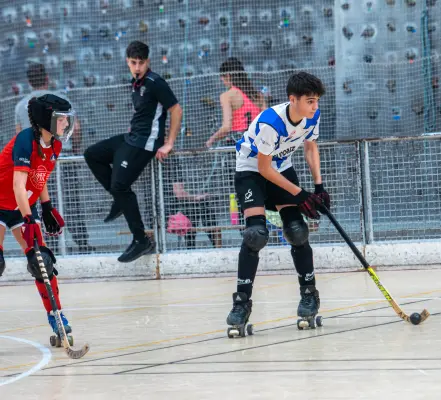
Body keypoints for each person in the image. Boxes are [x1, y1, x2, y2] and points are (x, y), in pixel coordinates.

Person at [226, 71, 330, 337]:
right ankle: (241, 303)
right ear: (292, 100)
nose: (315, 106)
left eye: (316, 100)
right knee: (255, 235)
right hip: (252, 172)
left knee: (297, 230)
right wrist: (300, 194)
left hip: (282, 169)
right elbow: (263, 169)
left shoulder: (311, 116)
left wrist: (318, 187)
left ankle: (309, 295)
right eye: (310, 101)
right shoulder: (272, 122)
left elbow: (310, 148)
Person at [84, 40, 183, 263]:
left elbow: (176, 109)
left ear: (148, 62)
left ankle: (141, 240)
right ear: (127, 62)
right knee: (92, 154)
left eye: (141, 63)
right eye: (133, 63)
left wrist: (169, 142)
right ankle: (119, 199)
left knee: (121, 186)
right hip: (132, 138)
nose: (137, 67)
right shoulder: (135, 83)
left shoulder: (155, 82)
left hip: (145, 143)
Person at [0, 94, 76, 338]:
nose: (67, 123)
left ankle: (56, 316)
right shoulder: (25, 141)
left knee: (41, 261)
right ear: (47, 120)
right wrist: (30, 219)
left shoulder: (54, 145)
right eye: (62, 119)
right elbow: (18, 187)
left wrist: (46, 206)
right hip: (4, 203)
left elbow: (38, 176)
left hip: (22, 205)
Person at [14, 63, 94, 252]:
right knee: (71, 200)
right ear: (47, 78)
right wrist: (74, 149)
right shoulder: (61, 100)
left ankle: (49, 245)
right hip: (61, 157)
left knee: (42, 203)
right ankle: (82, 242)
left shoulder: (21, 107)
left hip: (36, 164)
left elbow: (20, 138)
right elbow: (76, 129)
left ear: (29, 82)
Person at [205, 57, 265, 149]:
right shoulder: (258, 95)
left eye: (223, 77)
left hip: (237, 145)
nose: (223, 81)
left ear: (228, 76)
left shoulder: (227, 96)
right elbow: (267, 122)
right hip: (257, 145)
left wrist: (211, 139)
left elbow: (226, 127)